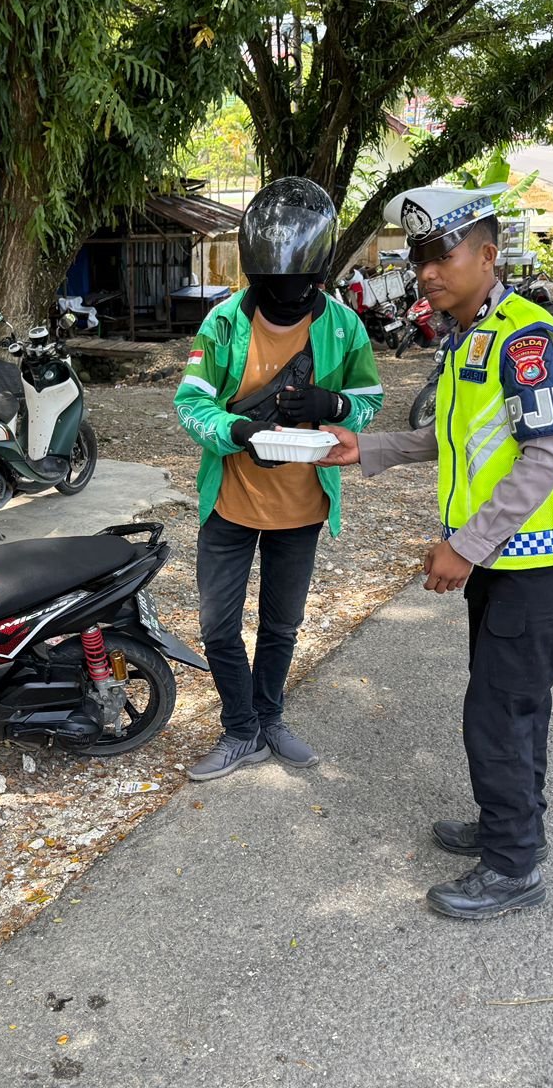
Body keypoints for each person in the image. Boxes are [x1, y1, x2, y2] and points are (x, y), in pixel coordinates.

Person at [319, 183, 553, 920]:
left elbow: (545, 457)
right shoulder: (474, 335)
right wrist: (370, 449)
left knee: (496, 713)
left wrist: (465, 546)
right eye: (418, 257)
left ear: (487, 255)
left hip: (536, 566)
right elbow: (448, 437)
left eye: (440, 254)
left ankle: (512, 868)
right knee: (514, 703)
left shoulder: (528, 339)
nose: (425, 271)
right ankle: (515, 825)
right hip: (509, 564)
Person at [174, 177, 383, 781]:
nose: (284, 299)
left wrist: (334, 404)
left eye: (299, 289)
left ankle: (268, 720)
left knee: (280, 624)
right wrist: (235, 432)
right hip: (230, 502)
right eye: (270, 289)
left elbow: (368, 399)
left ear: (318, 277)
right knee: (218, 624)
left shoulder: (345, 327)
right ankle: (238, 730)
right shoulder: (221, 324)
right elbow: (191, 403)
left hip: (301, 508)